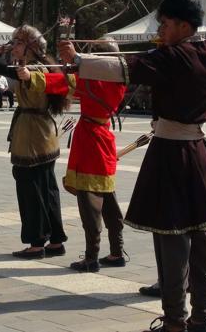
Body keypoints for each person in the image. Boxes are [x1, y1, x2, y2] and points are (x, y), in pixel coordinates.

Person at [59, 0, 206, 332]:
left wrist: (79, 60)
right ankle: (202, 318)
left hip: (170, 151)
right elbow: (145, 63)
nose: (160, 30)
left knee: (171, 239)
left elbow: (127, 67)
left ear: (182, 25)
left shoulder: (172, 58)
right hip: (199, 153)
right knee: (203, 237)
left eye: (165, 24)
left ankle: (176, 321)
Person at [0, 25, 70, 259]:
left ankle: (37, 243)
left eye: (18, 43)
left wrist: (30, 76)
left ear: (31, 47)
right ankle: (55, 240)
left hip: (33, 135)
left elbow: (49, 79)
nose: (14, 47)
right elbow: (6, 68)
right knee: (46, 187)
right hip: (40, 133)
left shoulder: (36, 68)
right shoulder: (28, 67)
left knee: (32, 188)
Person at [16, 41, 127, 273]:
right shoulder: (110, 78)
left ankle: (91, 257)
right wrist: (32, 76)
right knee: (108, 200)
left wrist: (35, 77)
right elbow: (67, 81)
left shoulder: (105, 80)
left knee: (91, 204)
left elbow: (66, 84)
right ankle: (116, 252)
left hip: (93, 145)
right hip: (99, 140)